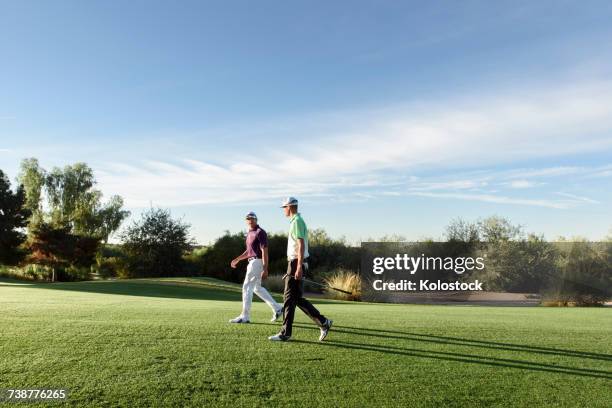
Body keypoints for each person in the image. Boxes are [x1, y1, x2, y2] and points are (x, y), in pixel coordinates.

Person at [269, 197, 332, 342]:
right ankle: (323, 322)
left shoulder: (296, 222)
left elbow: (301, 244)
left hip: (296, 262)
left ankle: (285, 333)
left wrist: (298, 267)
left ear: (289, 207)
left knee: (288, 298)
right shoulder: (297, 221)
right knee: (296, 299)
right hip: (295, 262)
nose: (283, 210)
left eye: (284, 207)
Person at [229, 211, 282, 323]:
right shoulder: (249, 233)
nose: (250, 220)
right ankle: (278, 308)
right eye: (248, 218)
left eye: (252, 218)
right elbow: (249, 251)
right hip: (252, 261)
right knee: (256, 288)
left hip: (257, 262)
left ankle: (245, 316)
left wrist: (265, 268)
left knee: (247, 287)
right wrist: (237, 259)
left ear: (256, 220)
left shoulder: (260, 232)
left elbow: (265, 251)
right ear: (246, 220)